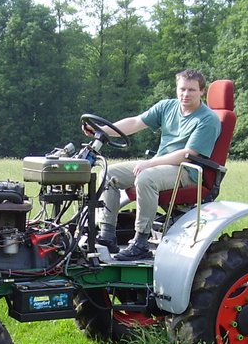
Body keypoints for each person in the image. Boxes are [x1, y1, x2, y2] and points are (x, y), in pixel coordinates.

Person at [83, 69, 222, 261]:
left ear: (201, 91)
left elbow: (188, 155)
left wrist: (149, 163)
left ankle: (141, 242)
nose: (185, 94)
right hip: (161, 165)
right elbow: (135, 122)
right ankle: (107, 236)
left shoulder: (208, 119)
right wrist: (101, 130)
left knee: (146, 178)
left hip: (187, 171)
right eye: (182, 89)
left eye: (191, 90)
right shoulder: (167, 107)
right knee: (108, 174)